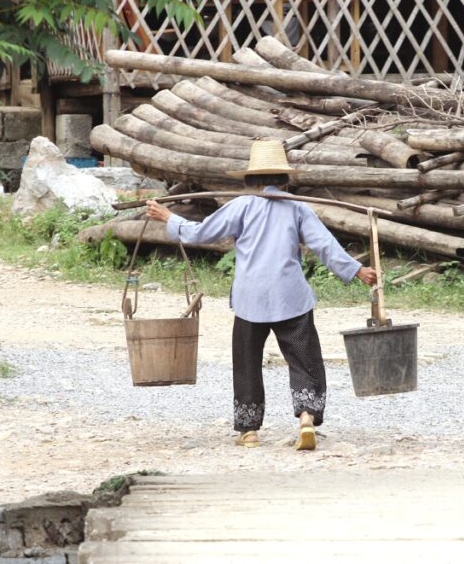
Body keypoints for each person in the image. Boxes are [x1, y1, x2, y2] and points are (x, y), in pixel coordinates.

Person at [145, 141, 378, 451]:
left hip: (250, 299)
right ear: (285, 180)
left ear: (250, 180)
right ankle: (306, 418)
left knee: (247, 362)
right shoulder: (297, 207)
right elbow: (324, 245)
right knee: (305, 360)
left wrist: (168, 218)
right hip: (290, 297)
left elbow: (201, 233)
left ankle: (249, 430)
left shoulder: (241, 206)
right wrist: (357, 270)